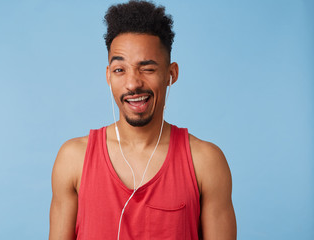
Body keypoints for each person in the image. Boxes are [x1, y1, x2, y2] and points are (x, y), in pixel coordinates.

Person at [49, 1, 236, 239]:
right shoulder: (73, 159)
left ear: (171, 74)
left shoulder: (206, 162)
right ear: (108, 75)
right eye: (120, 70)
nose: (132, 83)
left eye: (147, 69)